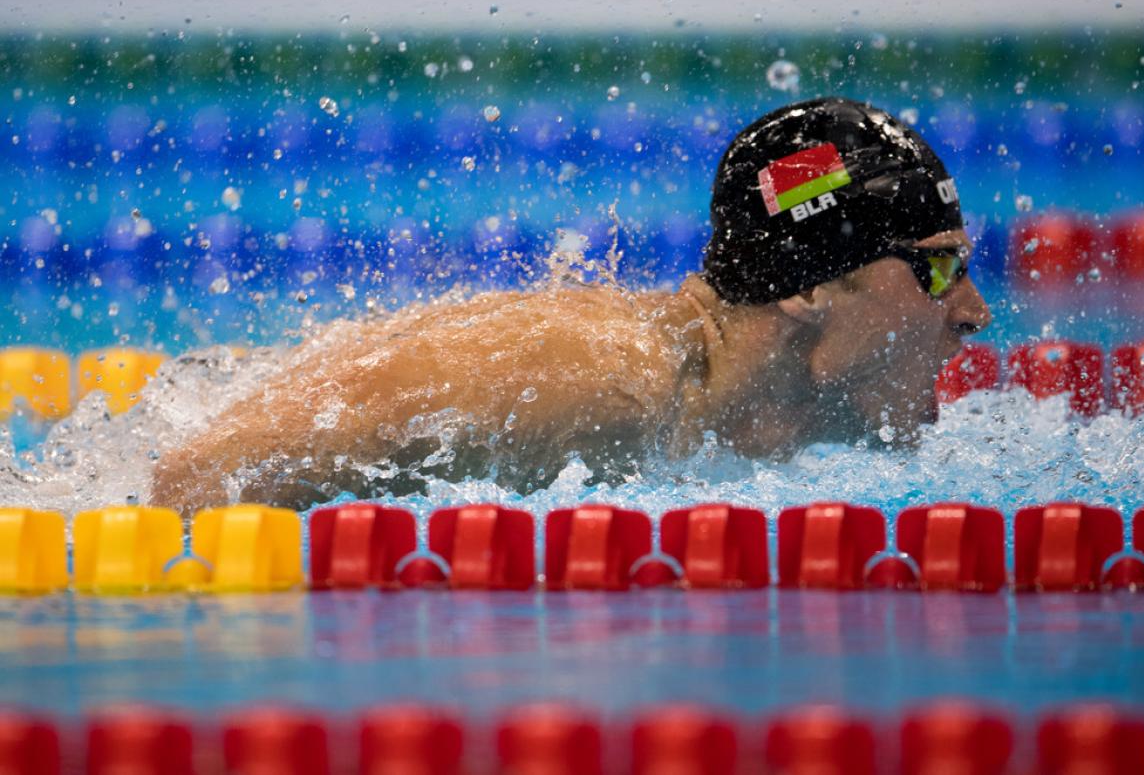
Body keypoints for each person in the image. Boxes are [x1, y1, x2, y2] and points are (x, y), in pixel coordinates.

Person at [149, 97, 991, 513]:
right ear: (809, 284)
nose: (974, 312)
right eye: (941, 268)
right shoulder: (598, 382)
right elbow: (188, 481)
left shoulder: (758, 415)